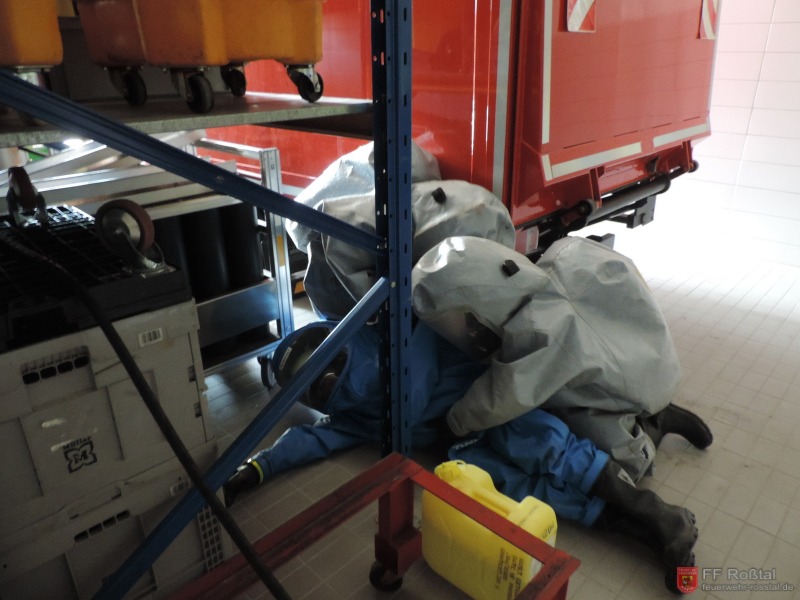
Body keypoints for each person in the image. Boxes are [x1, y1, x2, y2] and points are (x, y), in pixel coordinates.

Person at [223, 319, 708, 593]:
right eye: (318, 389)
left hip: (486, 403)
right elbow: (311, 439)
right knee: (531, 490)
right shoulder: (351, 412)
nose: (329, 388)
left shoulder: (396, 328)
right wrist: (256, 469)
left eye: (325, 376)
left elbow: (423, 366)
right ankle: (656, 533)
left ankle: (658, 511)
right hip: (461, 445)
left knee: (545, 446)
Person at [411, 235, 712, 482]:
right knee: (582, 377)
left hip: (624, 382)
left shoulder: (538, 333)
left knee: (579, 426)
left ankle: (648, 435)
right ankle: (661, 408)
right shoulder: (566, 253)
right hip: (651, 360)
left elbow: (502, 396)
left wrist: (453, 424)